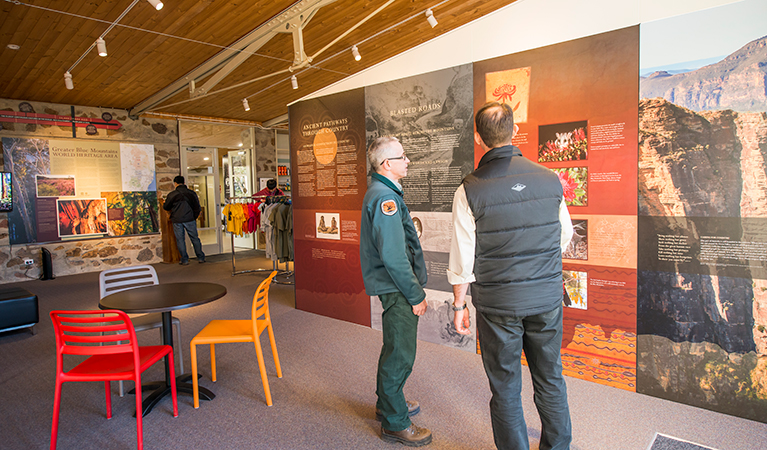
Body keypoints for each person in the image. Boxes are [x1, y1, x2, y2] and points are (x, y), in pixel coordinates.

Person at [448, 102, 573, 450]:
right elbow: (563, 236)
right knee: (550, 378)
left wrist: (459, 306)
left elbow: (463, 257)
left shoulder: (469, 189)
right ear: (515, 130)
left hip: (497, 304)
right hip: (545, 298)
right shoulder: (550, 180)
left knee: (505, 385)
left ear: (477, 137)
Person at [359, 136, 432, 447]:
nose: (408, 161)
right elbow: (393, 255)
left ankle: (386, 404)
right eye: (403, 157)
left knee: (394, 348)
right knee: (400, 354)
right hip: (398, 288)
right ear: (386, 164)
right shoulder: (384, 198)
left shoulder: (383, 192)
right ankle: (395, 422)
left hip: (394, 285)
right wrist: (415, 295)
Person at [164, 175, 206, 265]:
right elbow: (197, 207)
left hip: (177, 220)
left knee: (180, 240)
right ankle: (201, 257)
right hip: (190, 219)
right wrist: (193, 217)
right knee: (195, 238)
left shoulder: (172, 195)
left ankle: (184, 259)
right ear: (184, 183)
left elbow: (166, 206)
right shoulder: (192, 193)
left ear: (175, 183)